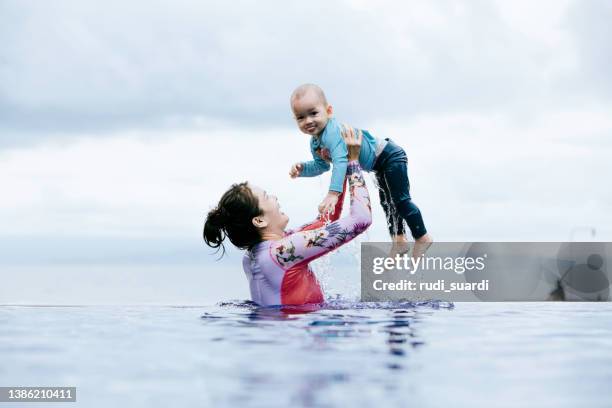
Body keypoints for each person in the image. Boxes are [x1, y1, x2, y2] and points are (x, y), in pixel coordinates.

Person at [203, 127, 371, 307]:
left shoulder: (258, 254)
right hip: (294, 331)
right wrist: (353, 163)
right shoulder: (282, 252)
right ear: (259, 220)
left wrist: (341, 165)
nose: (275, 198)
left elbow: (326, 223)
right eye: (267, 197)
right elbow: (361, 219)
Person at [288, 83, 432, 257]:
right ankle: (399, 241)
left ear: (329, 111)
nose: (308, 121)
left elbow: (341, 162)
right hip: (379, 165)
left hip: (390, 156)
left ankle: (422, 236)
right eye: (301, 117)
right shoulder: (316, 142)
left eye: (313, 113)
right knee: (387, 203)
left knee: (400, 201)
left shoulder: (332, 132)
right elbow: (322, 166)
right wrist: (302, 169)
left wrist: (333, 193)